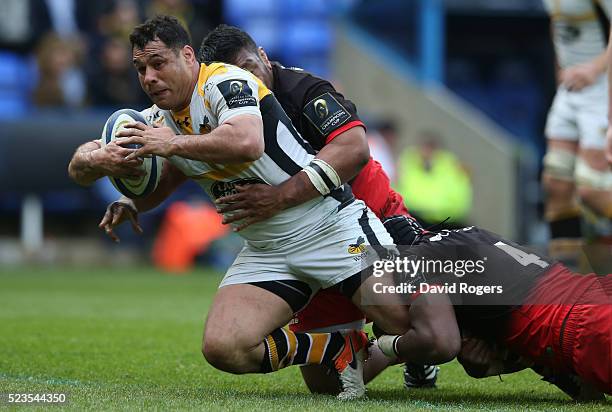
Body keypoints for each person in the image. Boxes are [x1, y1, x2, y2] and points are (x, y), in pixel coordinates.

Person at [68, 16, 460, 399]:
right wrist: (106, 172)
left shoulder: (226, 81)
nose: (149, 77)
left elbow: (246, 142)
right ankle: (334, 348)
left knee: (425, 332)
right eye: (140, 69)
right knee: (224, 348)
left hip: (329, 228)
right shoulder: (158, 120)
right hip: (266, 250)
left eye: (158, 63)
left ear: (188, 56)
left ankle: (466, 324)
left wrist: (168, 145)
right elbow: (98, 167)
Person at [198, 24, 439, 392]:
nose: (246, 81)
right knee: (326, 387)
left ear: (264, 56)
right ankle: (370, 348)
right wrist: (133, 194)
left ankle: (419, 350)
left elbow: (355, 150)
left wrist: (277, 197)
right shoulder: (222, 114)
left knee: (423, 325)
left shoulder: (303, 90)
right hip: (302, 237)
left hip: (367, 215)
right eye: (234, 76)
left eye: (250, 67)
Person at [370, 225, 612, 400]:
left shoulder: (415, 259)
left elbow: (441, 341)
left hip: (582, 325)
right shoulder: (470, 235)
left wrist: (390, 345)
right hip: (595, 292)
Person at [541, 0, 612, 270]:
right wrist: (560, 66)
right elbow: (558, 24)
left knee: (592, 190)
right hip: (571, 89)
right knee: (556, 185)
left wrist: (595, 68)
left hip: (601, 87)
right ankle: (564, 283)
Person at [396, 131, 472, 230]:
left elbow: (458, 201)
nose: (427, 151)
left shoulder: (451, 167)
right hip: (414, 216)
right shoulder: (407, 162)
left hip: (445, 222)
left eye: (430, 147)